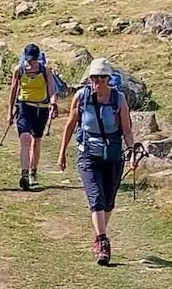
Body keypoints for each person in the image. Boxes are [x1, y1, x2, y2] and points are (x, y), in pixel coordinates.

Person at [57, 57, 136, 266]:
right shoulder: (81, 97)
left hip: (112, 156)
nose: (98, 82)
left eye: (102, 78)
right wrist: (62, 153)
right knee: (96, 197)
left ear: (108, 79)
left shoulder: (119, 100)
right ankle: (103, 242)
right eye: (94, 78)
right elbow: (70, 124)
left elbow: (127, 130)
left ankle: (99, 234)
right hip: (88, 155)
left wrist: (132, 153)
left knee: (108, 202)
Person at [7, 43, 59, 190]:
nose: (31, 62)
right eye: (29, 59)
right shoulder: (19, 70)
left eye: (33, 60)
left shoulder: (45, 70)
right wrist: (9, 112)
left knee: (36, 141)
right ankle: (24, 174)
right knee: (25, 139)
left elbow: (52, 89)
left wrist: (53, 103)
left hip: (41, 109)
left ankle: (33, 171)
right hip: (24, 107)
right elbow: (13, 91)